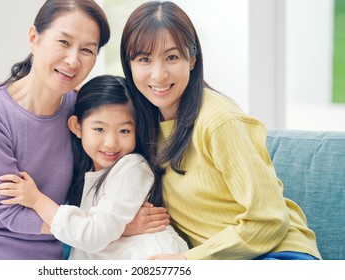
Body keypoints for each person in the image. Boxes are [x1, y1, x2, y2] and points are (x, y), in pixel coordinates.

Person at [120, 1, 322, 260]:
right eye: (144, 59)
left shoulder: (219, 120)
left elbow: (268, 220)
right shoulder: (140, 123)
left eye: (172, 57)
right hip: (223, 262)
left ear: (192, 60)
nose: (158, 75)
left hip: (277, 254)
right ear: (130, 65)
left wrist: (187, 261)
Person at [0, 0, 113, 260]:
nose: (73, 60)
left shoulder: (83, 115)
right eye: (64, 42)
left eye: (87, 50)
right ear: (34, 38)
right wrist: (102, 229)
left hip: (43, 260)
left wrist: (114, 222)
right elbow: (12, 213)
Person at [0, 74, 189, 259]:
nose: (111, 142)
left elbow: (91, 236)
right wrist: (121, 229)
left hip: (152, 256)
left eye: (124, 130)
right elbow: (90, 239)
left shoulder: (132, 167)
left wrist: (36, 200)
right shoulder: (86, 173)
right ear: (76, 127)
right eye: (99, 129)